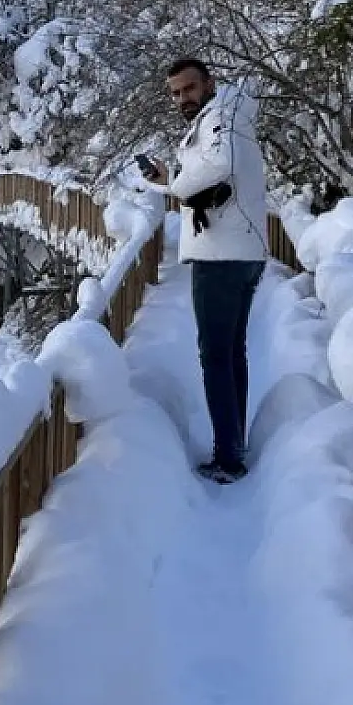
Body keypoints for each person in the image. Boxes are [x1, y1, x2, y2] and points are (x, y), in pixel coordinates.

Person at [136, 58, 269, 484]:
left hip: (221, 255)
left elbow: (218, 165)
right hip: (239, 249)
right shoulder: (229, 115)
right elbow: (212, 174)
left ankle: (228, 458)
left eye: (189, 88)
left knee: (215, 356)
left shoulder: (221, 117)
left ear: (209, 83)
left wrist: (176, 185)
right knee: (230, 353)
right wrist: (168, 179)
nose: (182, 98)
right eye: (175, 93)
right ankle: (234, 445)